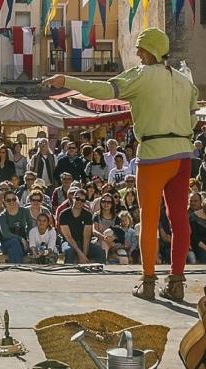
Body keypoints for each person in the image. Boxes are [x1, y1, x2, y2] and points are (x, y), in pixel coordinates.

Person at [45, 27, 197, 301]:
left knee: (149, 220)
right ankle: (176, 282)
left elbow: (105, 90)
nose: (137, 54)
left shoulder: (141, 75)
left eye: (140, 49)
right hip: (183, 155)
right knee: (179, 220)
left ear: (150, 50)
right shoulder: (185, 81)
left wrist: (67, 80)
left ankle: (148, 281)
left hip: (153, 154)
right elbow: (194, 116)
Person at [58, 189, 103, 264]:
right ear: (73, 198)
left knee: (100, 251)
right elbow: (68, 237)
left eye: (82, 200)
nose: (79, 202)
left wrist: (84, 255)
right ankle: (69, 272)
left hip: (83, 242)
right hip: (68, 242)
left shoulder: (87, 215)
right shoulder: (64, 214)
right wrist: (80, 254)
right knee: (69, 251)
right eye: (77, 199)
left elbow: (87, 236)